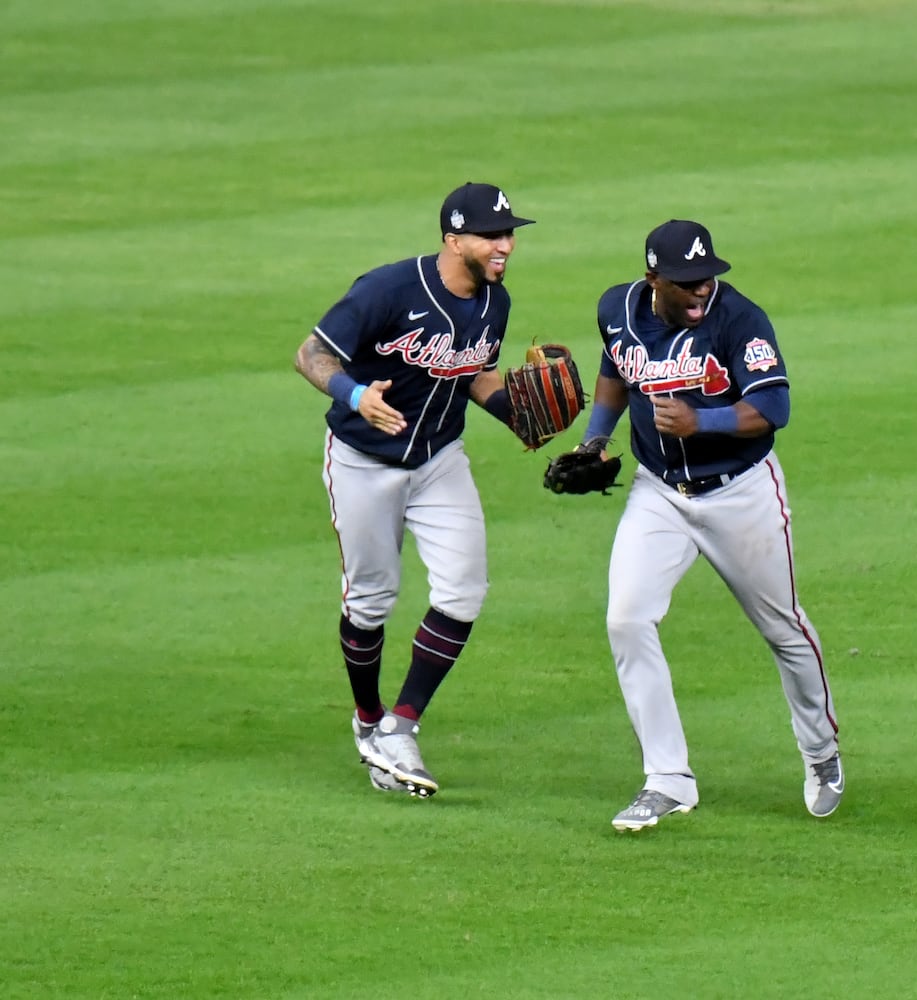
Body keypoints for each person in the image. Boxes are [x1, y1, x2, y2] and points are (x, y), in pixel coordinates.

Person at [565, 219, 841, 831]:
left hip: (740, 491)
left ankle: (821, 753)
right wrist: (594, 439)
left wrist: (702, 423)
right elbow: (615, 368)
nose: (699, 292)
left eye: (706, 279)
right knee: (626, 619)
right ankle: (667, 779)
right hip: (658, 492)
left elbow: (775, 408)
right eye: (686, 283)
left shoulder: (740, 320)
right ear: (653, 279)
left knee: (784, 629)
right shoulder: (618, 308)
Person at [293, 181, 537, 797]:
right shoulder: (387, 289)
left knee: (463, 591)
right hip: (363, 461)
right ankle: (368, 721)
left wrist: (518, 413)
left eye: (508, 233)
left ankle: (402, 725)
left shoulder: (495, 301)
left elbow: (473, 372)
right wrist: (354, 395)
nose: (504, 245)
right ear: (454, 239)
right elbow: (311, 354)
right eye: (491, 235)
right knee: (371, 600)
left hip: (439, 460)